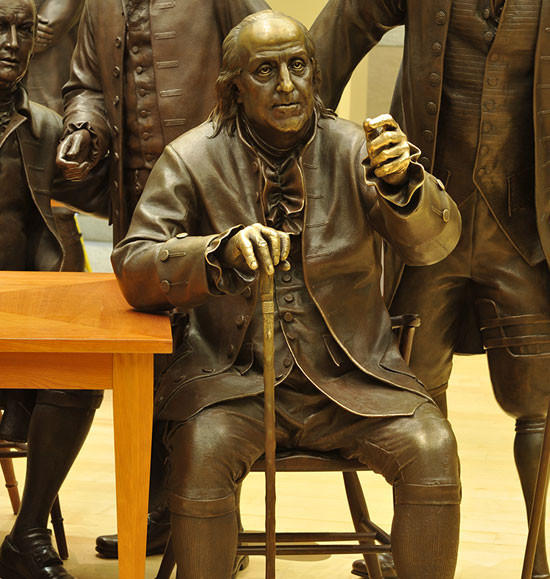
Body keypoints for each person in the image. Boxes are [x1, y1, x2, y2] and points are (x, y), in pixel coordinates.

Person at [112, 11, 463, 579]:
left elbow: (433, 244)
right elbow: (134, 263)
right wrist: (213, 253)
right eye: (265, 71)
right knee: (201, 452)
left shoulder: (356, 150)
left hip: (353, 384)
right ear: (232, 89)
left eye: (299, 66)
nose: (286, 86)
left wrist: (404, 188)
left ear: (316, 75)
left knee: (431, 445)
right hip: (232, 385)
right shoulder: (192, 158)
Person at [311, 1, 550, 577]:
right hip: (425, 224)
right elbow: (340, 29)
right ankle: (416, 554)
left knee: (536, 404)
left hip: (523, 235)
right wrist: (300, 131)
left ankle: (538, 561)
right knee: (418, 401)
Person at [55, 0, 270, 560]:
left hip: (216, 204)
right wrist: (84, 127)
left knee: (220, 360)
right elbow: (85, 85)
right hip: (139, 218)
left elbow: (264, 51)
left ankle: (219, 522)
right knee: (149, 368)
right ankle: (158, 511)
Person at [0, 1, 107, 577]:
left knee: (79, 375)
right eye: (0, 28)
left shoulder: (44, 128)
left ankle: (28, 531)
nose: (14, 42)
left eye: (22, 29)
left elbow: (87, 206)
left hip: (24, 326)